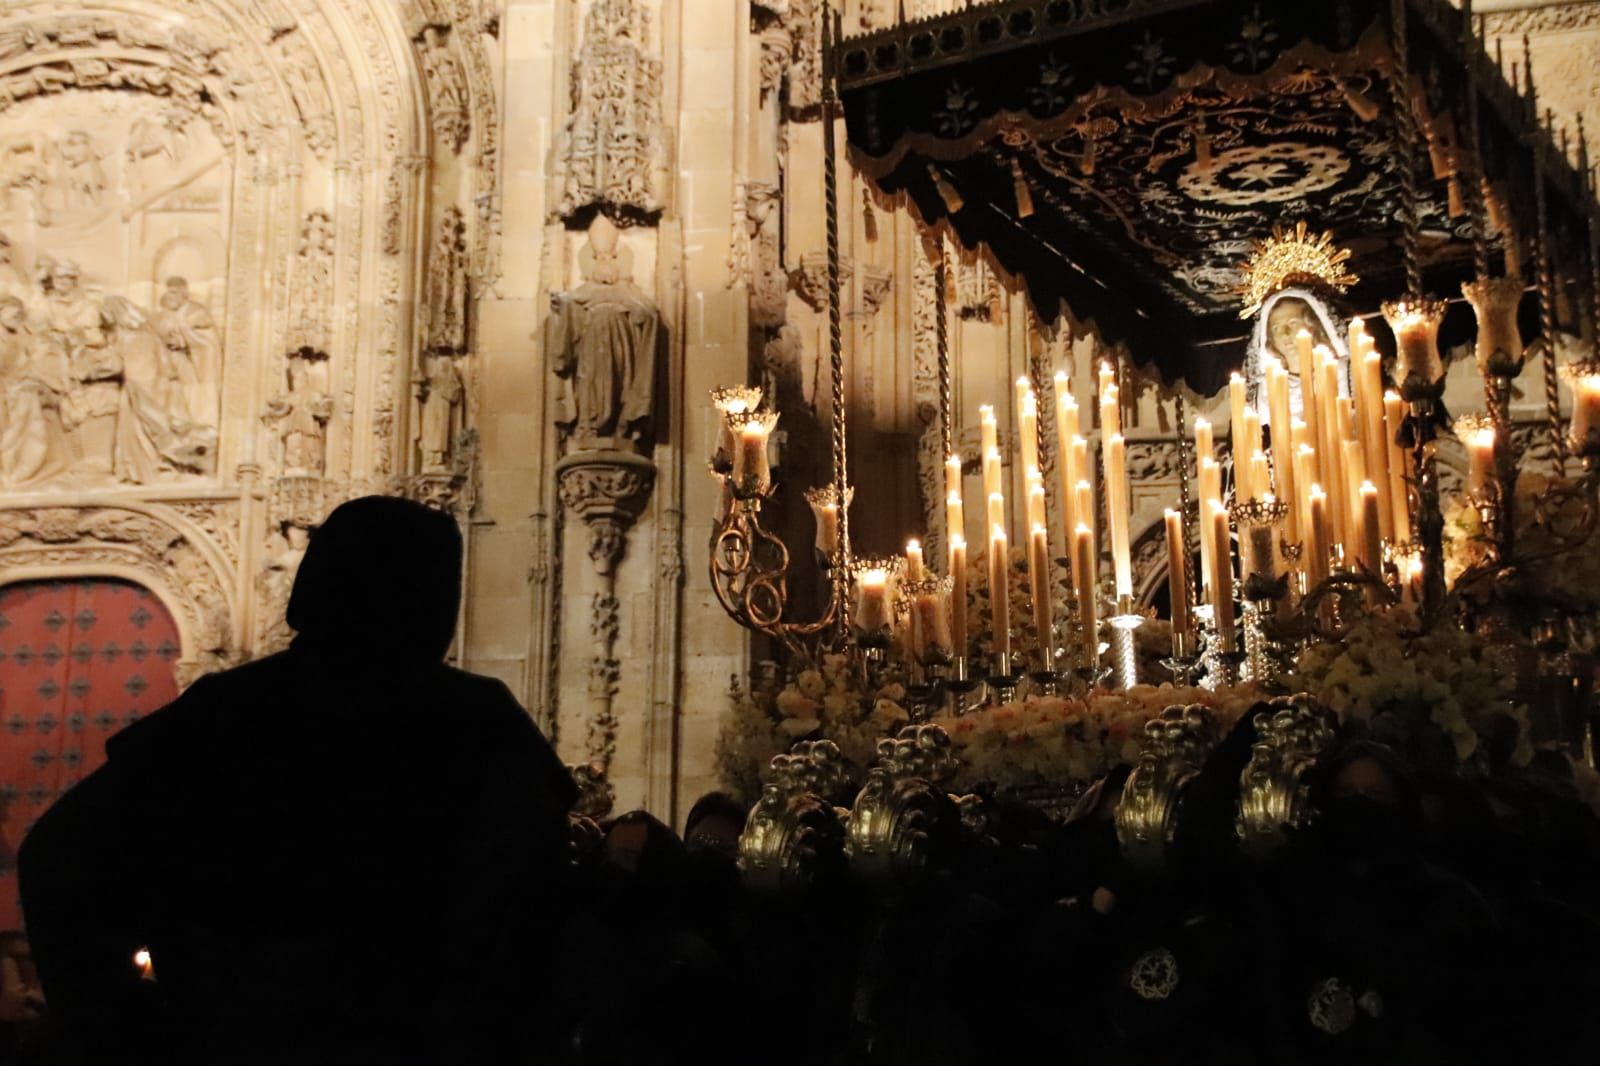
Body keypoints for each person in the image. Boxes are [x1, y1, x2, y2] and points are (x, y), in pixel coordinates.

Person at [18, 496, 578, 1065]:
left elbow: (57, 858)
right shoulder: (473, 720)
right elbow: (537, 901)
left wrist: (116, 1030)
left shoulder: (224, 713)